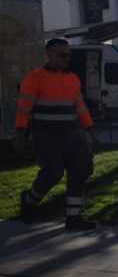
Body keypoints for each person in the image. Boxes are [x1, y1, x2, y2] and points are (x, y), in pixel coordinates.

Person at [15, 38, 100, 230]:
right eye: (63, 55)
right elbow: (23, 109)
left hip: (72, 133)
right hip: (46, 134)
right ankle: (29, 200)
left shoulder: (72, 79)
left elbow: (81, 108)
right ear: (49, 54)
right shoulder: (34, 78)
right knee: (52, 173)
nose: (67, 59)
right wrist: (20, 135)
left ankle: (74, 217)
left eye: (69, 55)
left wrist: (92, 133)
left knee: (82, 168)